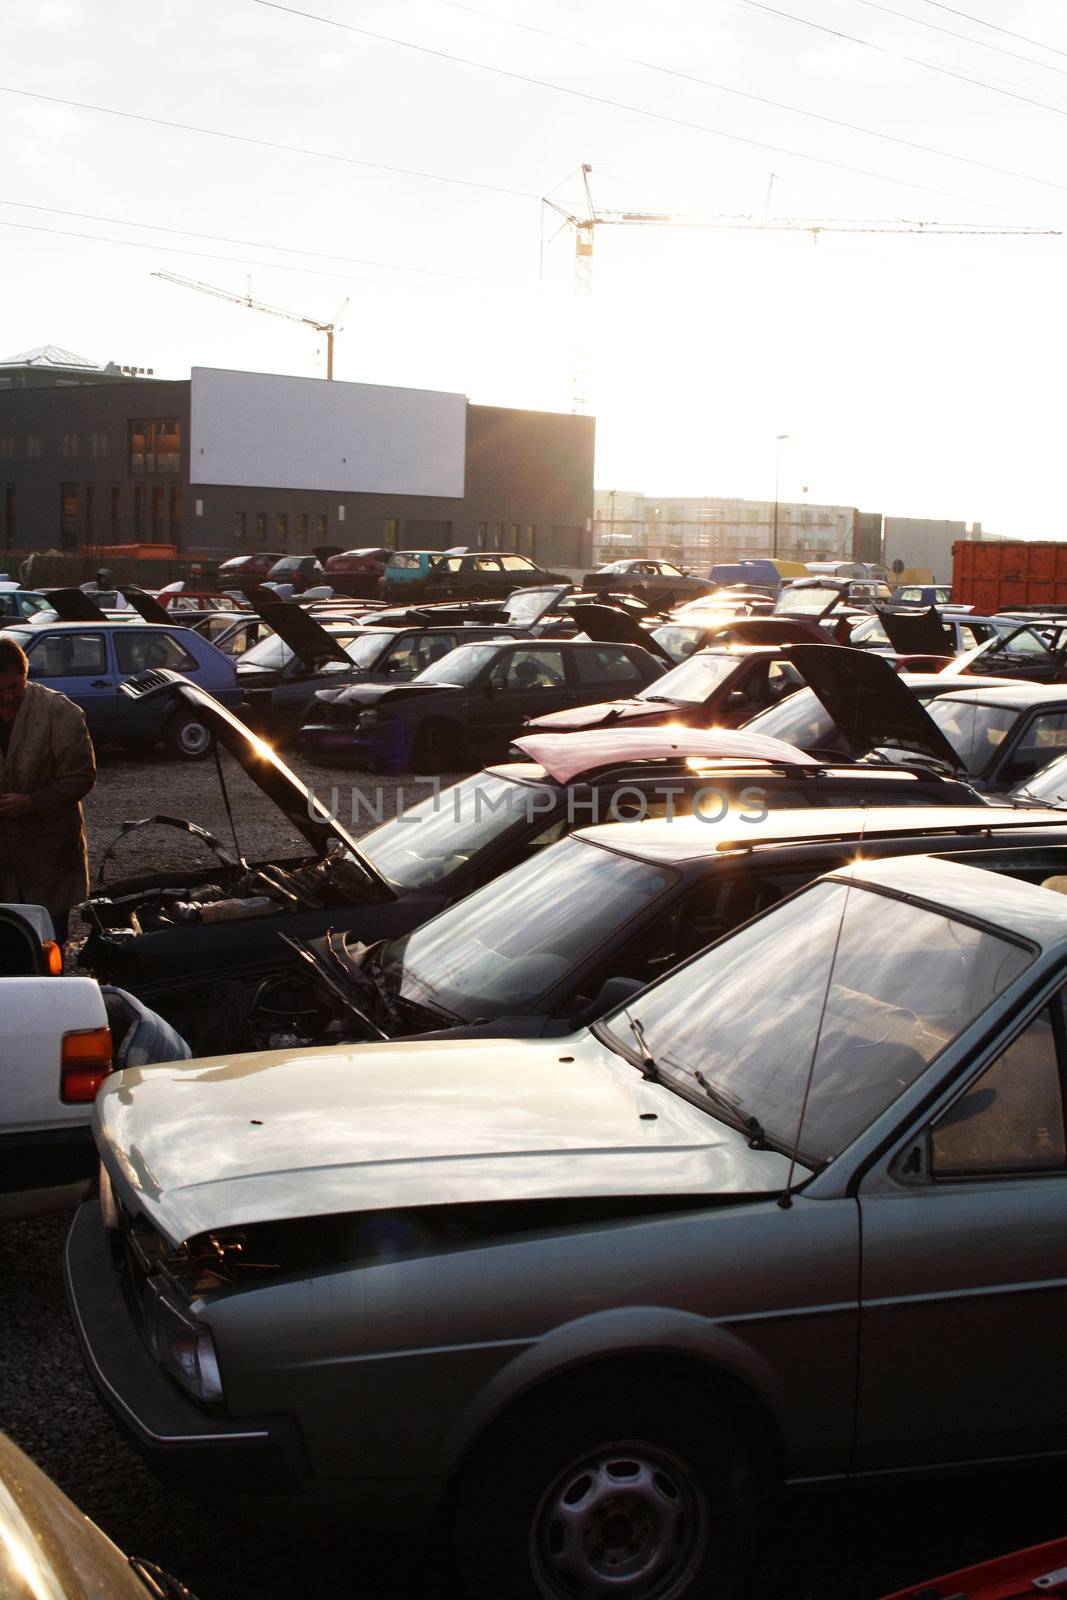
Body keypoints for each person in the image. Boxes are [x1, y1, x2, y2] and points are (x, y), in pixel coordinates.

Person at [0, 638, 96, 944]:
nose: (6, 696)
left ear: (26, 674)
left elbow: (81, 778)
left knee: (48, 943)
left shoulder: (60, 712)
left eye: (14, 686)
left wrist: (32, 802)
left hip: (48, 856)